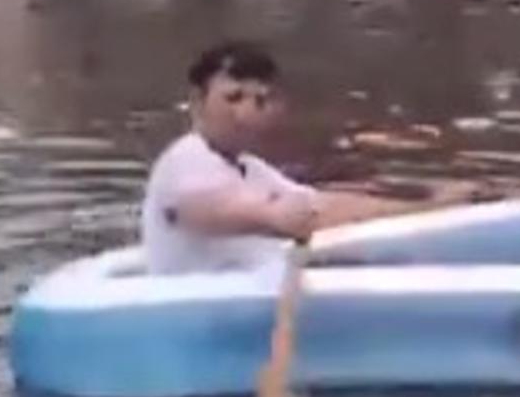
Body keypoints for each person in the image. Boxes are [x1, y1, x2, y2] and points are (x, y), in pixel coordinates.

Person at [140, 40, 472, 275]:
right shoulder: (186, 160)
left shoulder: (252, 170)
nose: (246, 113)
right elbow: (196, 210)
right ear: (198, 102)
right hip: (202, 314)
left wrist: (425, 208)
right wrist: (268, 217)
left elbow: (322, 206)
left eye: (260, 101)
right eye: (233, 98)